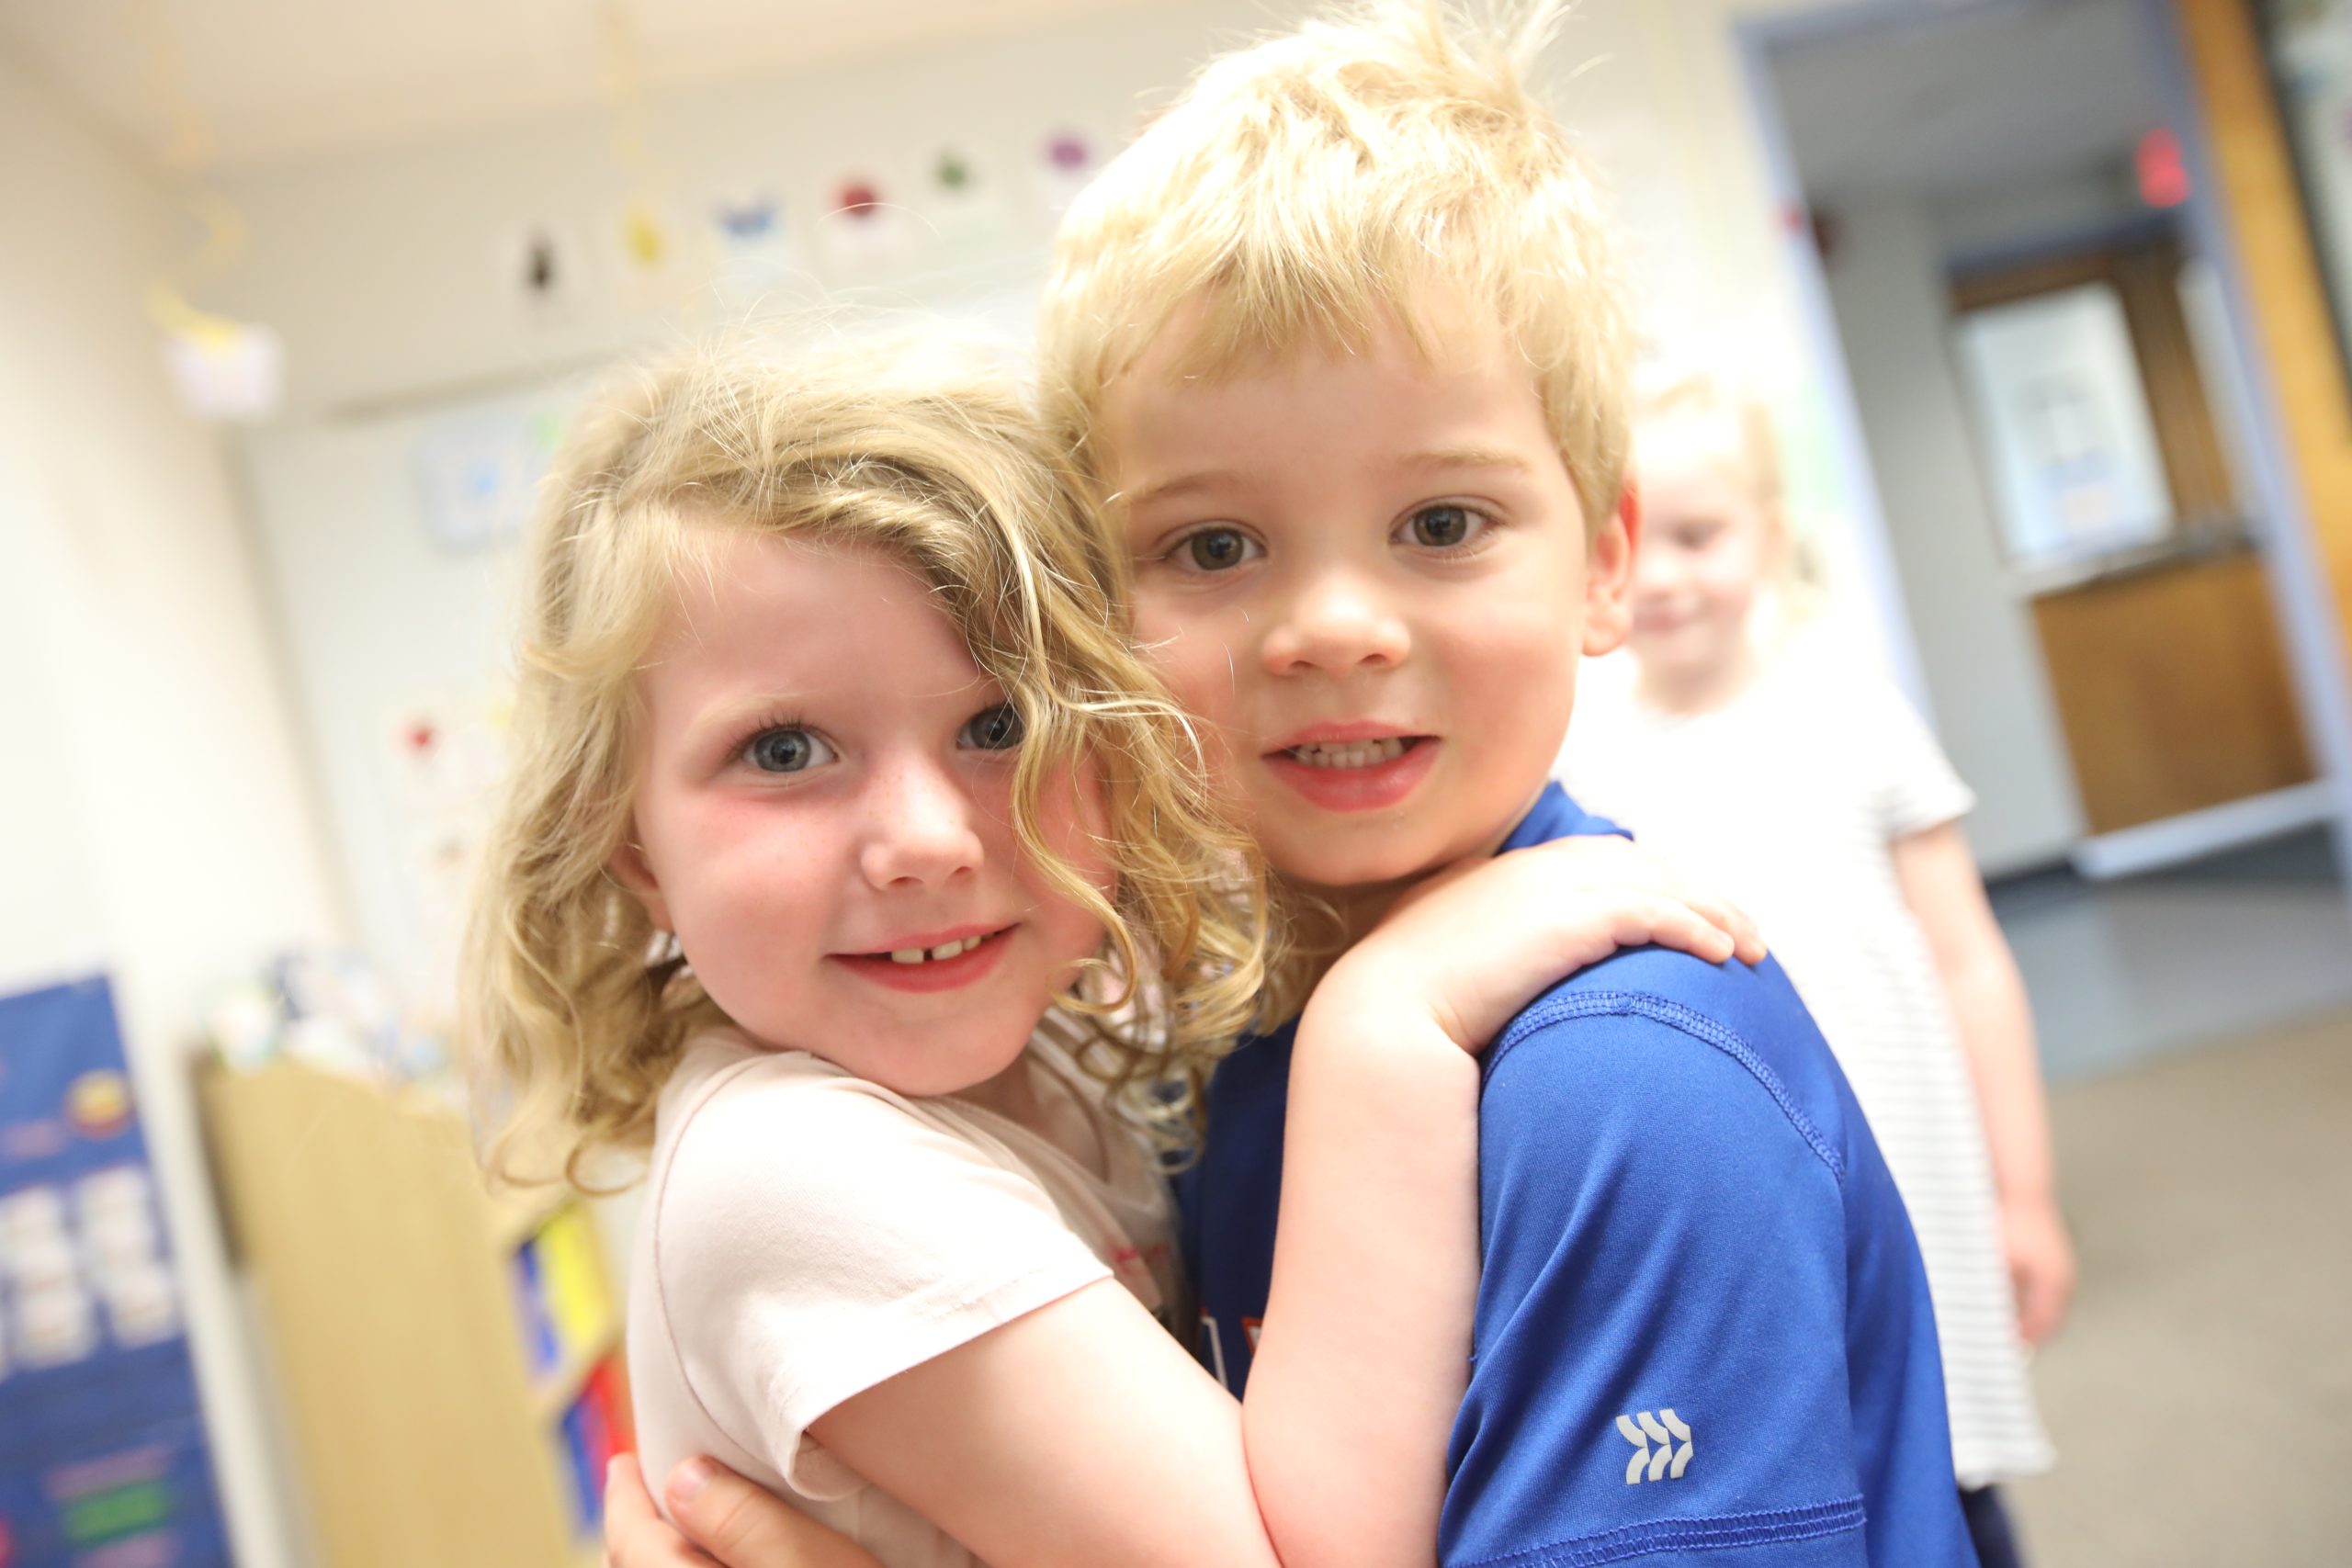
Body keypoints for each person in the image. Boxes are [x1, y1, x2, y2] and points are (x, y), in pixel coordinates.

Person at [609, 3, 1980, 1563]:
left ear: (1605, 562)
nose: (1334, 627)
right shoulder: (1227, 1046)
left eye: (1444, 522)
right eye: (1212, 546)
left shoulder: (1614, 1086)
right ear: (1092, 622)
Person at [468, 332, 1762, 1568]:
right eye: (786, 751)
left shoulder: (1058, 1075)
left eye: (1000, 724)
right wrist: (1389, 1020)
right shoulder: (786, 1167)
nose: (925, 841)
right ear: (633, 846)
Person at [1558, 366, 2070, 1568]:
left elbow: (1970, 960)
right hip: (1738, 1197)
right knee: (1789, 1473)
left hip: (1910, 1167)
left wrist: (2027, 1192)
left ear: (1771, 537)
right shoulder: (1588, 763)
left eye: (1704, 533)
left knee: (1944, 1469)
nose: (1671, 573)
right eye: (1638, 540)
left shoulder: (1855, 713)